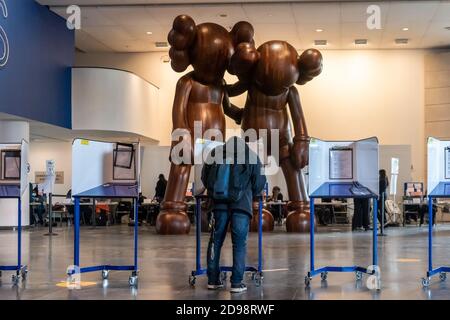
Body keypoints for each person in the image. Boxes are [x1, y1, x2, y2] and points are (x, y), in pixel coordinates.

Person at [202, 137, 267, 293]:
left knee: (215, 241)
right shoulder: (251, 156)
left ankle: (212, 280)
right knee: (239, 244)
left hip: (219, 205)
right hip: (241, 206)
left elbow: (205, 179)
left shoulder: (215, 153)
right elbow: (259, 183)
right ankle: (237, 283)